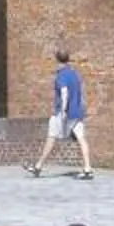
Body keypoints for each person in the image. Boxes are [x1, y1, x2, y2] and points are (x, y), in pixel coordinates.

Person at [25, 50, 95, 179]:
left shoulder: (61, 75)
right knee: (81, 138)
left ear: (57, 60)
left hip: (64, 112)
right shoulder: (75, 74)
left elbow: (64, 93)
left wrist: (63, 111)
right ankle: (87, 168)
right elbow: (81, 92)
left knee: (51, 137)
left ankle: (38, 166)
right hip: (77, 111)